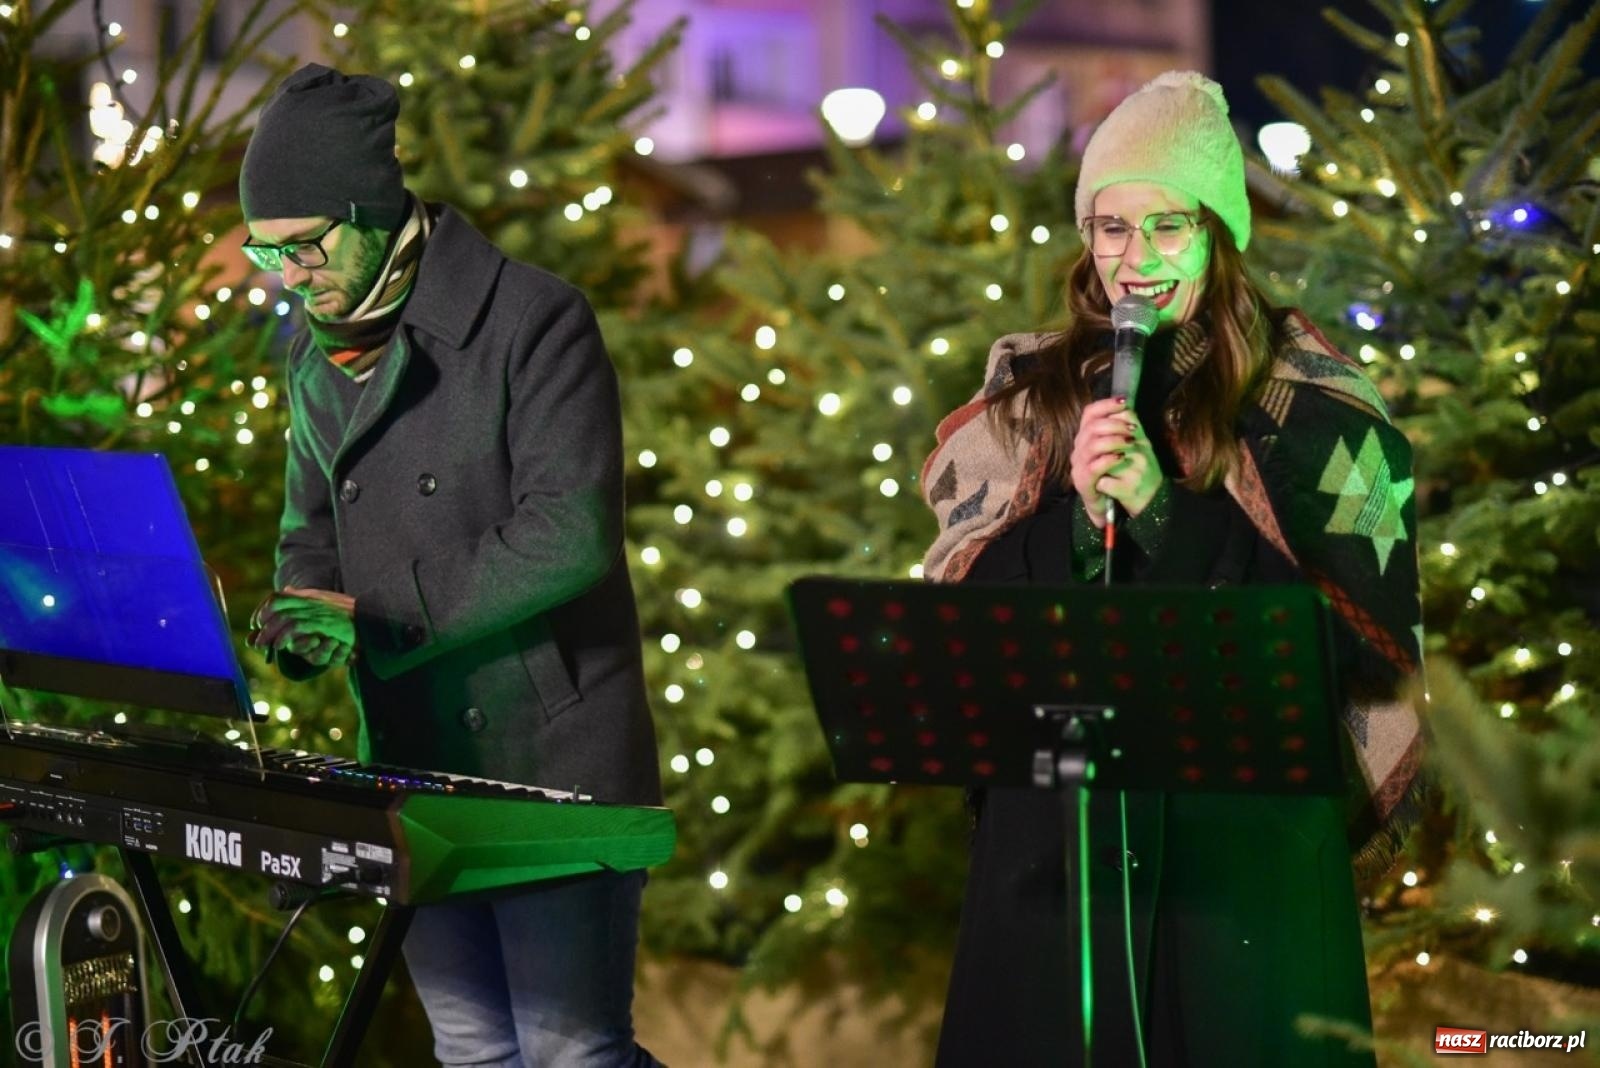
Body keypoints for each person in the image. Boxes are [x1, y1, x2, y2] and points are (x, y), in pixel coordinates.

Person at [919, 71, 1422, 1067]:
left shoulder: (1312, 411)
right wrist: (1069, 512)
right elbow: (965, 627)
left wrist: (1162, 509)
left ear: (1219, 235)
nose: (1133, 260)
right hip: (1058, 841)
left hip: (1242, 852)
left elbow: (1350, 654)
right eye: (1110, 228)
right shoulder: (1028, 398)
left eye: (1166, 227)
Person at [238, 64, 663, 1068]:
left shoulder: (533, 318)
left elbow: (568, 533)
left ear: (372, 209)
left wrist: (378, 616)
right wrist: (301, 618)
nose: (289, 276)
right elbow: (311, 526)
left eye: (306, 247)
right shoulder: (315, 360)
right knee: (472, 1048)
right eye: (269, 252)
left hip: (550, 763)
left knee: (572, 1054)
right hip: (416, 757)